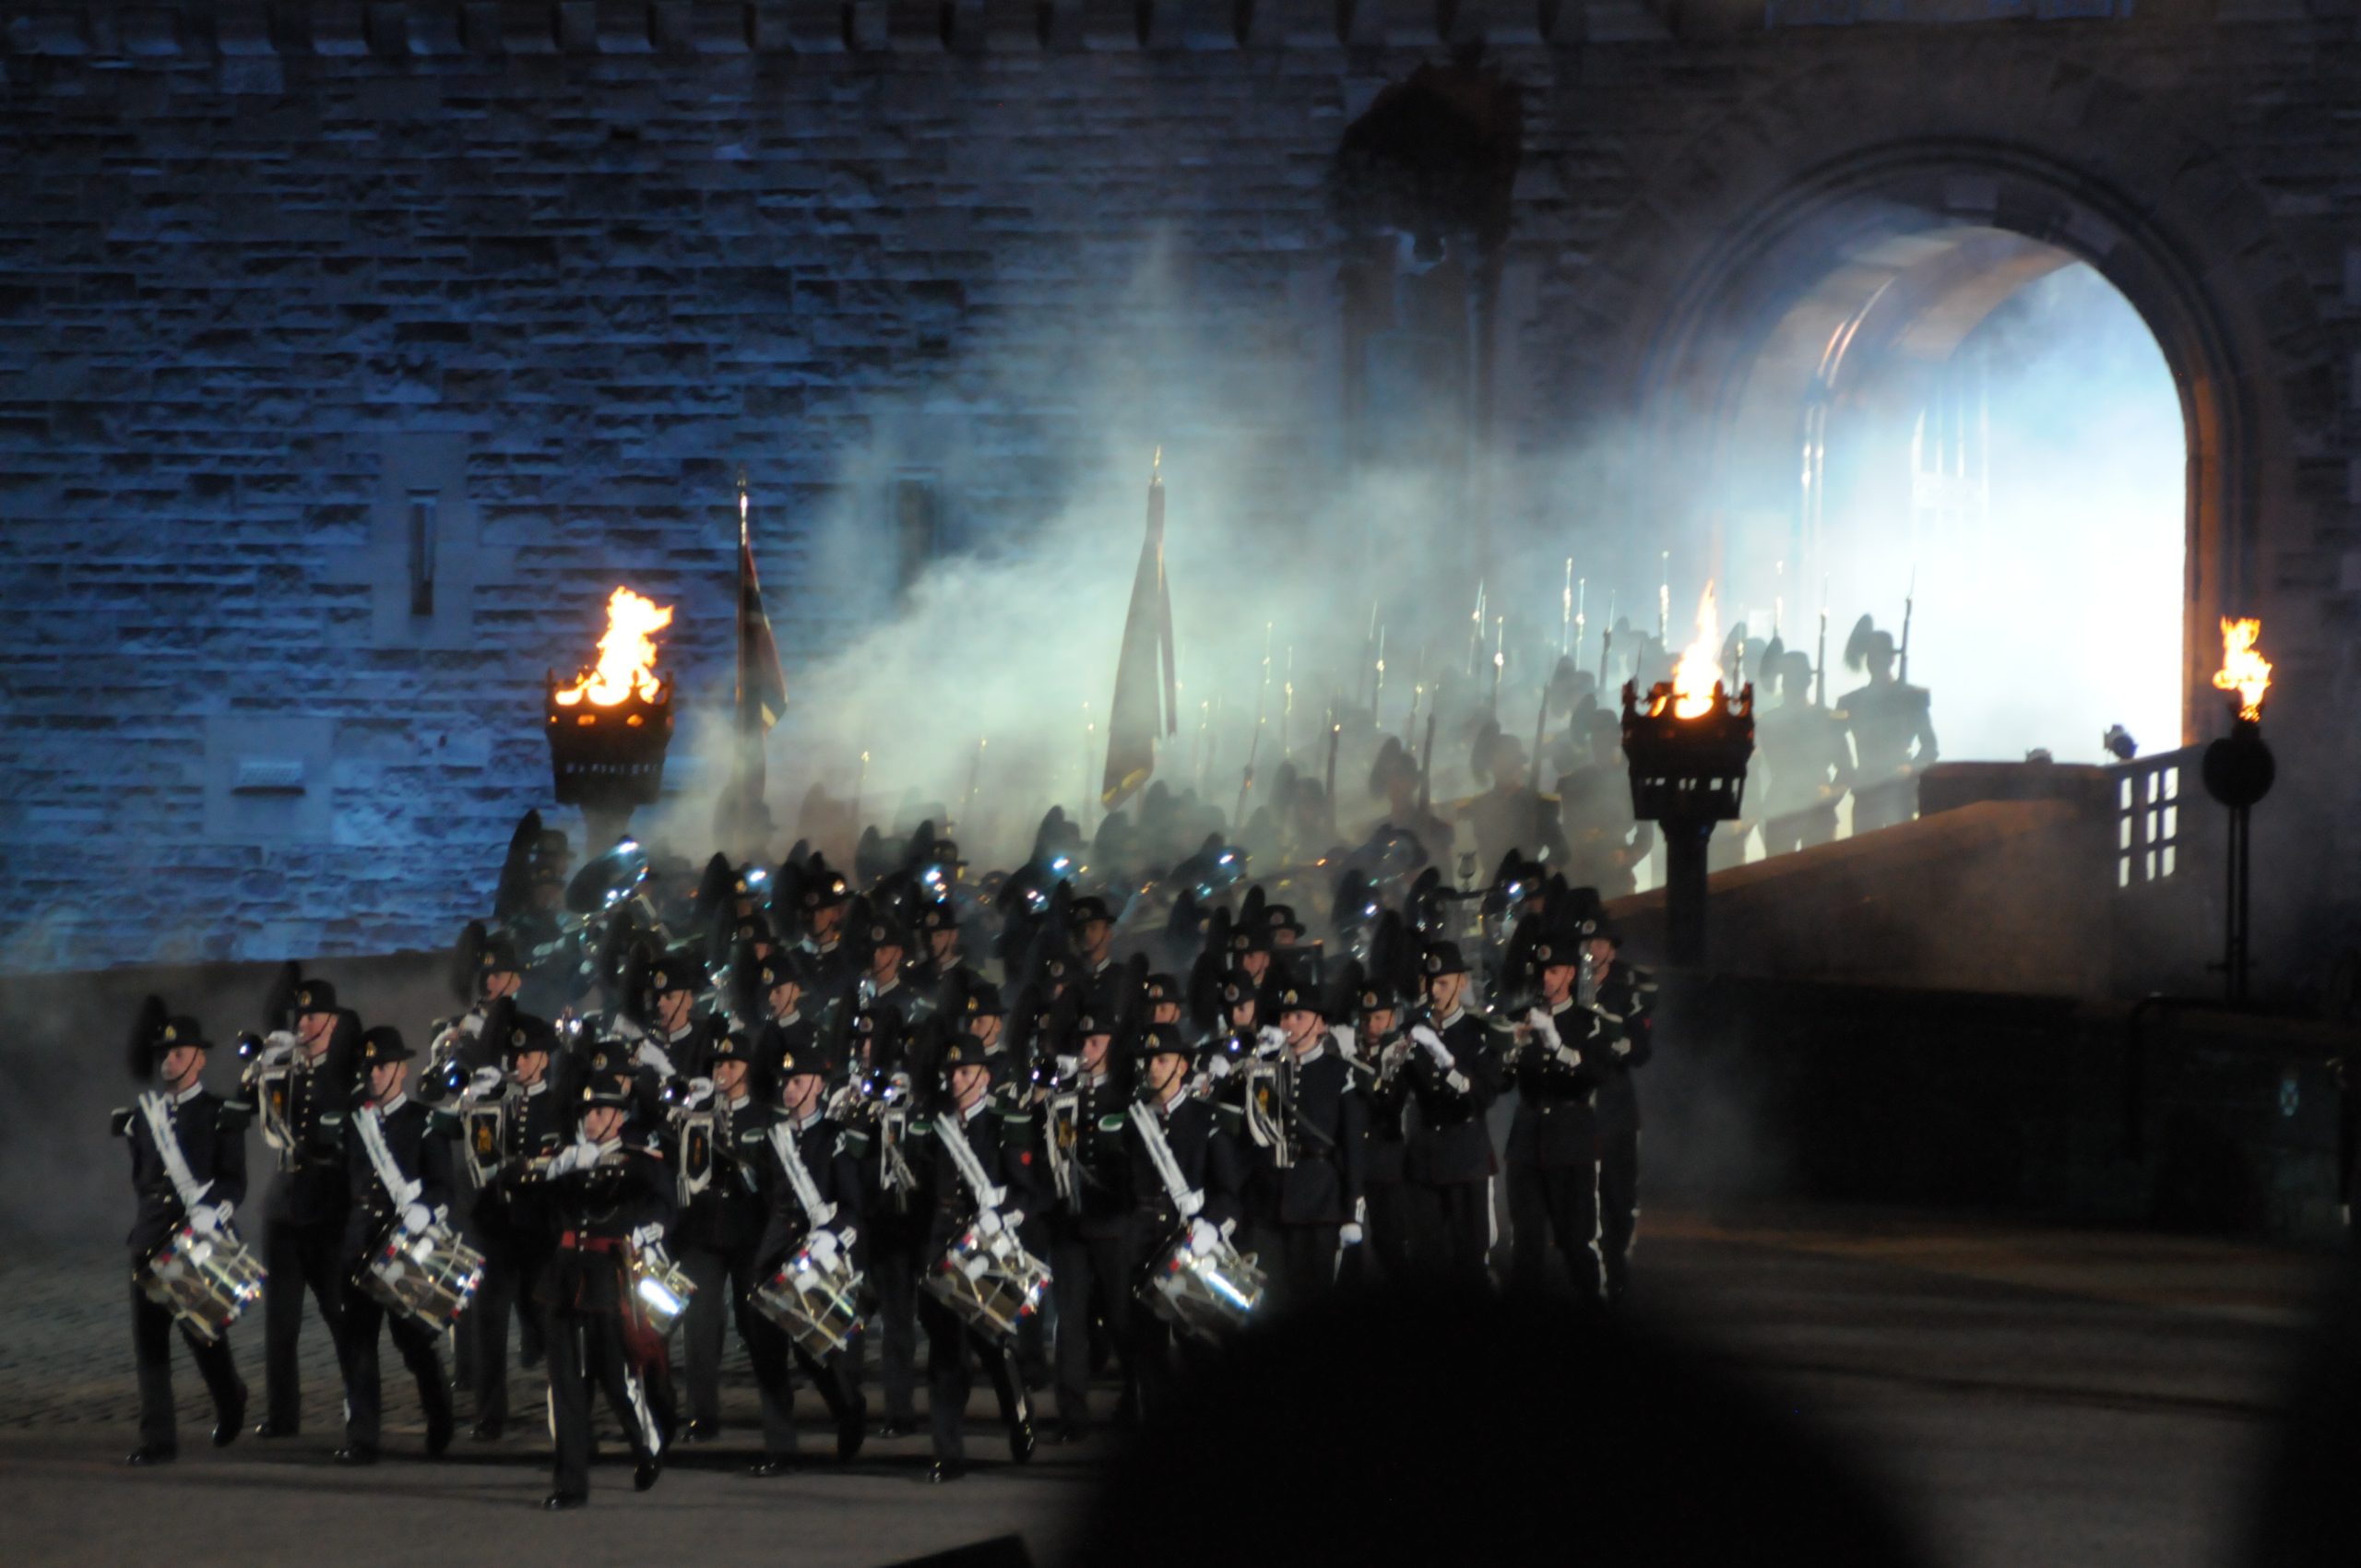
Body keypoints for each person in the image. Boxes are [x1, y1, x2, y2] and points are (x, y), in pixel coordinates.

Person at [536, 1047, 670, 1509]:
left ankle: (644, 1447)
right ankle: (570, 1485)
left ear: (618, 1117)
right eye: (586, 1112)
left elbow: (659, 1203)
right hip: (563, 1277)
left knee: (615, 1378)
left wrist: (649, 1229)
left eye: (599, 1112)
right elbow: (523, 1184)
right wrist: (562, 1165)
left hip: (606, 1280)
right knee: (566, 1385)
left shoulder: (638, 1161)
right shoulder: (565, 1157)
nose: (590, 1119)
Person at [117, 1006, 249, 1465]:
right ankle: (158, 1439)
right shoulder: (144, 1116)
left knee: (204, 1335)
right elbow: (143, 1178)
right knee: (150, 1343)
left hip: (198, 1236)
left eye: (178, 1053)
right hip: (151, 1236)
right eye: (164, 1054)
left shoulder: (220, 1114)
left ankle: (231, 1399)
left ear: (199, 1059)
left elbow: (234, 1181)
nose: (168, 1061)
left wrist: (214, 1213)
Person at [913, 1035, 1038, 1482]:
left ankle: (1018, 1413)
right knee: (946, 1355)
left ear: (984, 1077)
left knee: (994, 1346)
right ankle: (948, 1453)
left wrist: (1001, 1217)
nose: (956, 1080)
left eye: (965, 1072)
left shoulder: (1003, 1124)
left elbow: (1025, 1190)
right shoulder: (937, 1126)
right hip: (944, 1245)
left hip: (987, 1248)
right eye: (952, 1074)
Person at [744, 1028, 869, 1473]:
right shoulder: (772, 1138)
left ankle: (849, 1407)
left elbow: (854, 1209)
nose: (789, 1088)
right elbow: (766, 1198)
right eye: (786, 1082)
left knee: (814, 1351)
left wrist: (831, 1236)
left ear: (817, 1084)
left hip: (817, 1257)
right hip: (774, 1256)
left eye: (798, 1082)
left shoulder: (835, 1138)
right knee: (767, 1355)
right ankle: (780, 1448)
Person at [335, 1025, 456, 1465]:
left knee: (414, 1344)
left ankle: (441, 1418)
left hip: (403, 1247)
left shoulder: (424, 1123)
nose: (374, 1074)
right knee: (359, 1346)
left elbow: (443, 1186)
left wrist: (426, 1210)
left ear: (401, 1070)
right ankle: (363, 1439)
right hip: (359, 1244)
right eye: (369, 1067)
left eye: (382, 1066)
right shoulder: (355, 1122)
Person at [1123, 1022, 1244, 1420]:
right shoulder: (1133, 1122)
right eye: (1149, 1061)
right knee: (1149, 1357)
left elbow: (1229, 1191)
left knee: (1201, 1352)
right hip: (1144, 1250)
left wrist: (1212, 1226)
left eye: (1162, 1060)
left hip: (1192, 1249)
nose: (1152, 1068)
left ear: (1183, 1066)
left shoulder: (1206, 1118)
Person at [252, 980, 353, 1443]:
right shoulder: (284, 1070)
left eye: (313, 1017)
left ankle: (360, 1407)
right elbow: (254, 1109)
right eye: (300, 1018)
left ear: (332, 1022)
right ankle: (281, 1414)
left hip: (329, 1207)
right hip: (286, 1205)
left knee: (341, 1313)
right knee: (280, 1320)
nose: (304, 1024)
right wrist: (265, 1064)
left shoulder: (347, 1072)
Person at [462, 1012, 567, 1440]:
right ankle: (489, 1416)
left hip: (540, 1231)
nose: (518, 1063)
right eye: (514, 1055)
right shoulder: (497, 1101)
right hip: (499, 1228)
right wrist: (474, 1101)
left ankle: (567, 1411)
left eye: (526, 1056)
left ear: (544, 1059)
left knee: (546, 1322)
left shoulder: (560, 1105)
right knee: (489, 1321)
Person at [1238, 981, 1365, 1314]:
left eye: (1298, 1015)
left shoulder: (1339, 1072)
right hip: (1272, 1200)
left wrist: (1352, 1211)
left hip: (1319, 1201)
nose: (1288, 1024)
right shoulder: (1265, 1069)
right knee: (1273, 1301)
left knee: (1315, 1300)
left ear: (1320, 1024)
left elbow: (1352, 1145)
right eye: (1284, 1016)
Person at [670, 1028, 768, 1443]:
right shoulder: (697, 1113)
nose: (723, 1071)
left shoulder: (763, 1114)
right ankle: (702, 1417)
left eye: (731, 1064)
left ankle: (775, 1414)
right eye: (717, 1065)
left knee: (757, 1325)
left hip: (749, 1232)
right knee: (700, 1326)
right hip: (704, 1230)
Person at [1043, 1007, 1135, 1441]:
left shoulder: (1125, 1095)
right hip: (1071, 1222)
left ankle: (1135, 1401)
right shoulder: (1063, 1094)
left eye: (1096, 1043)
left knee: (1121, 1317)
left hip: (1114, 1221)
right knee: (1070, 1321)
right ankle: (1071, 1415)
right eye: (1083, 1043)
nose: (1086, 1050)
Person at [1502, 924, 1607, 1302]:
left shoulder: (1586, 1022)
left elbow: (1592, 1076)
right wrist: (1508, 1052)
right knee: (1526, 1243)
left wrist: (1557, 1043)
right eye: (1543, 972)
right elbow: (1500, 1085)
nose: (1547, 979)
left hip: (1570, 1141)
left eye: (1555, 971)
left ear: (1571, 974)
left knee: (1576, 1239)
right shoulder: (1521, 1017)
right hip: (1528, 1142)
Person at [1406, 944, 1504, 1286]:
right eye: (1430, 982)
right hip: (1425, 1157)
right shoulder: (1412, 1030)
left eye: (1443, 983)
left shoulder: (1478, 1033)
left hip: (1465, 1157)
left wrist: (1447, 1063)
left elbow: (1484, 1095)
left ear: (1462, 983)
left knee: (1470, 1259)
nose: (1434, 991)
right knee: (1426, 1260)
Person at [1585, 914, 1656, 1304]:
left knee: (1618, 1197)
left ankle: (1617, 1269)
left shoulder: (1626, 990)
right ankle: (1591, 1274)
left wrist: (1623, 1044)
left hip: (1615, 1103)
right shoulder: (1571, 988)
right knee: (1584, 1198)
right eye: (1588, 943)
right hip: (1580, 1104)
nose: (1592, 949)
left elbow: (1644, 1050)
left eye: (1599, 943)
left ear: (1612, 949)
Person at [1838, 615, 1938, 834]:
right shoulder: (1851, 702)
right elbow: (1833, 741)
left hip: (1901, 790)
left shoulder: (1912, 698)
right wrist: (1849, 772)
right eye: (1872, 656)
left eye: (1881, 656)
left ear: (1892, 659)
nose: (1877, 661)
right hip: (1866, 788)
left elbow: (1930, 746)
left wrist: (1910, 767)